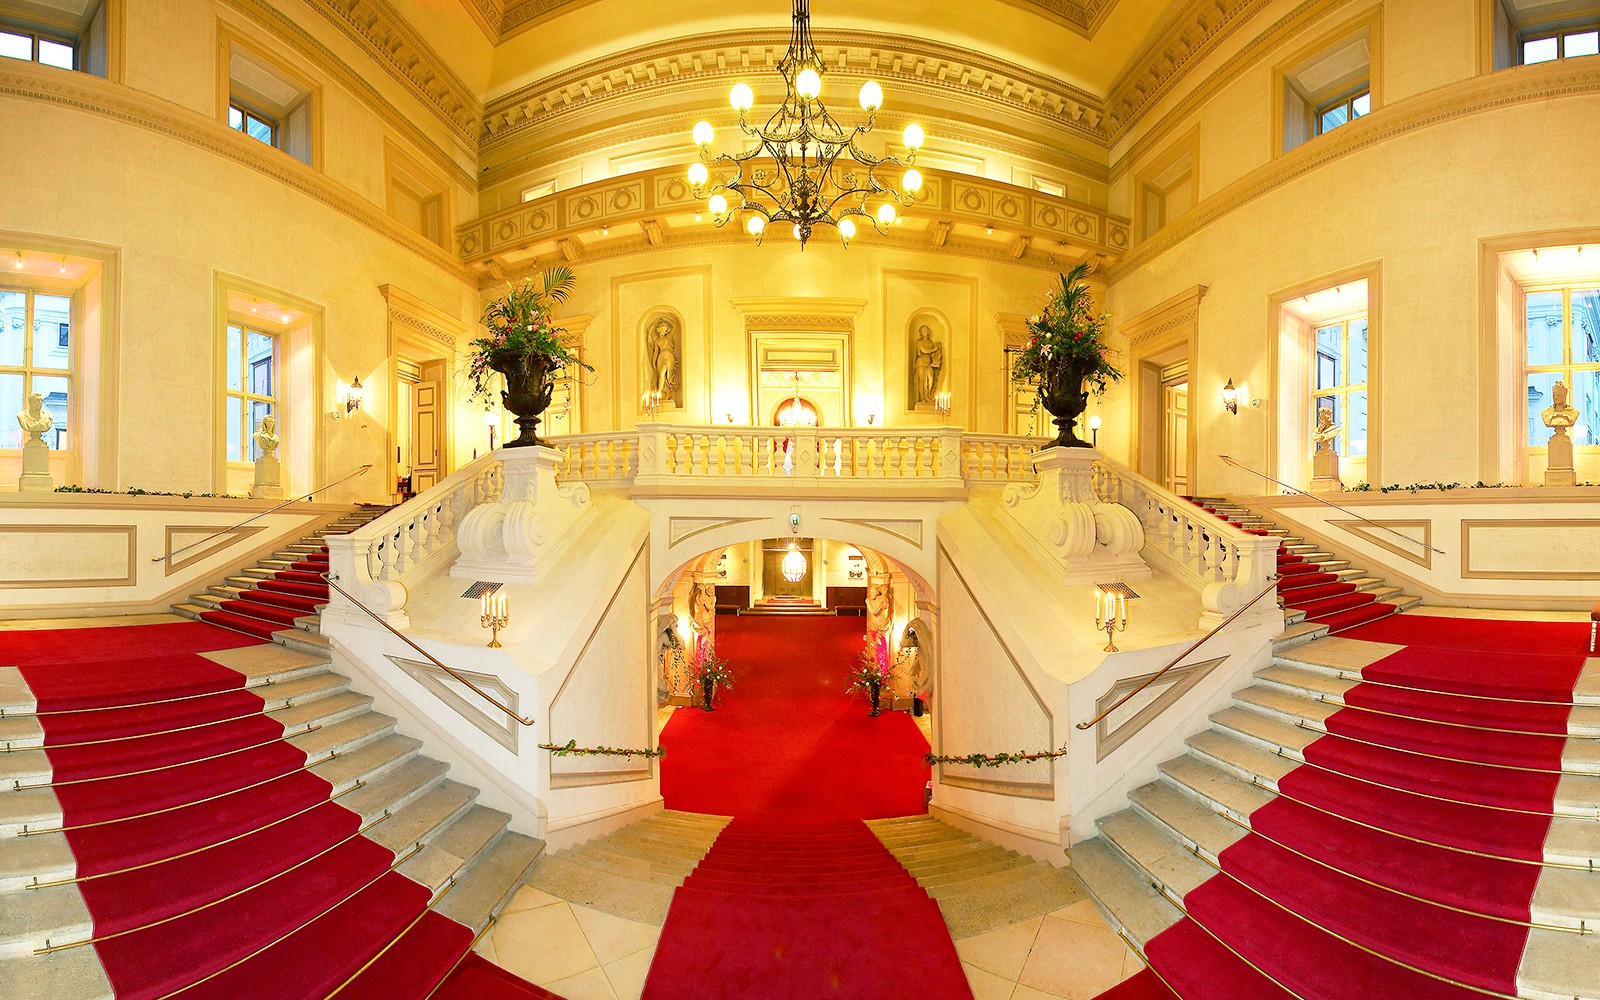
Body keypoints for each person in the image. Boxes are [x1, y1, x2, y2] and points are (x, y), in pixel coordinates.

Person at [913, 325, 943, 404]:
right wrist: (934, 348)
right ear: (920, 332)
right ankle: (922, 398)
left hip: (929, 363)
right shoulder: (919, 342)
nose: (924, 332)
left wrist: (938, 348)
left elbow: (933, 353)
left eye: (925, 330)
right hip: (921, 362)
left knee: (930, 380)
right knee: (922, 381)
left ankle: (928, 395)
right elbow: (924, 350)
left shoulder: (930, 342)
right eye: (922, 331)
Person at [649, 318, 678, 397]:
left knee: (667, 374)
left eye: (664, 329)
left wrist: (666, 319)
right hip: (661, 356)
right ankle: (659, 391)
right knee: (661, 372)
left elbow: (675, 326)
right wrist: (654, 363)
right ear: (658, 330)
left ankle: (663, 390)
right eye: (661, 329)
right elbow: (655, 353)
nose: (663, 331)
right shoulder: (657, 341)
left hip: (669, 355)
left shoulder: (668, 336)